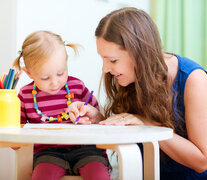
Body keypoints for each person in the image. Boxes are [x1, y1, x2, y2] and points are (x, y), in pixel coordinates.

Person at [68, 7, 207, 179]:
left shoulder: (194, 79)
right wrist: (99, 119)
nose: (105, 69)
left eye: (112, 60)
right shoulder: (129, 77)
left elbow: (202, 161)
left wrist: (148, 125)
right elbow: (134, 127)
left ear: (140, 53)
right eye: (102, 58)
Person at [13, 30, 110, 180]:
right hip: (47, 153)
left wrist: (89, 119)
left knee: (99, 175)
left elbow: (101, 121)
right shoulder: (25, 96)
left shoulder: (77, 87)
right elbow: (16, 138)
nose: (54, 82)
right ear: (29, 73)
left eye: (60, 73)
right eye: (45, 77)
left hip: (86, 149)